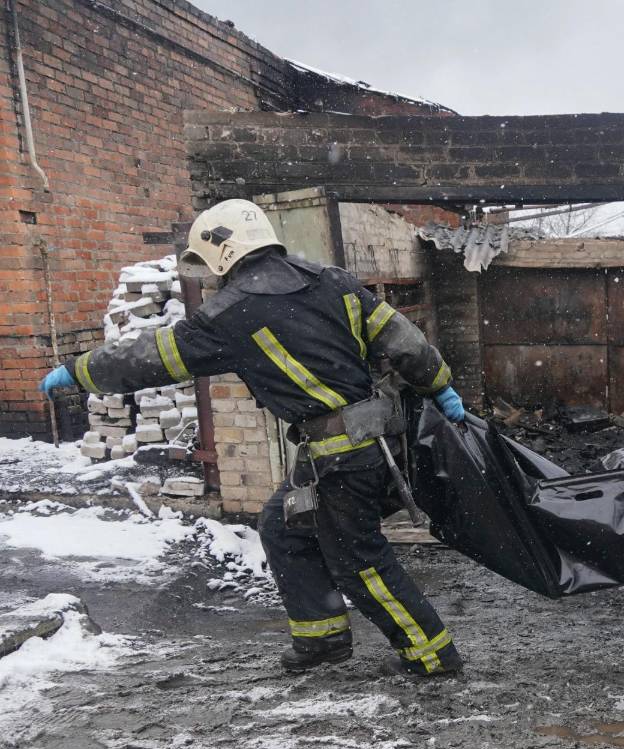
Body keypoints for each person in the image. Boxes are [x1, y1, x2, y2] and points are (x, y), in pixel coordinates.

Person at [39, 199, 466, 676]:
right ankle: (321, 637)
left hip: (339, 458)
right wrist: (440, 384)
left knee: (358, 562)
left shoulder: (230, 313)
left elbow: (155, 356)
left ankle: (432, 656)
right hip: (358, 446)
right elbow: (402, 339)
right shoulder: (332, 280)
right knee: (283, 528)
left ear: (221, 253)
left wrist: (79, 371)